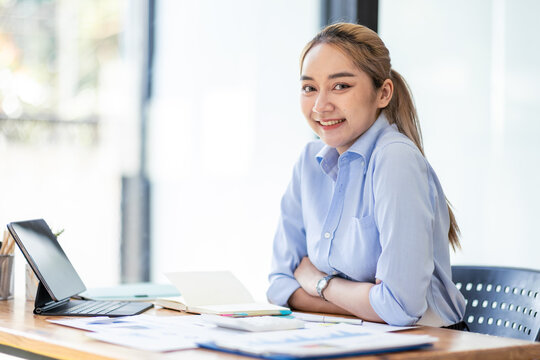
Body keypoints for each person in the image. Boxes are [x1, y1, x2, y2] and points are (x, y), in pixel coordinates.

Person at [267, 23, 466, 328]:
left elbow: (399, 308)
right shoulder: (308, 162)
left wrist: (319, 283)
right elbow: (280, 287)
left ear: (383, 93)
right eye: (309, 88)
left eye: (341, 86)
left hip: (430, 345)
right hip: (352, 334)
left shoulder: (395, 159)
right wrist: (366, 300)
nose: (321, 106)